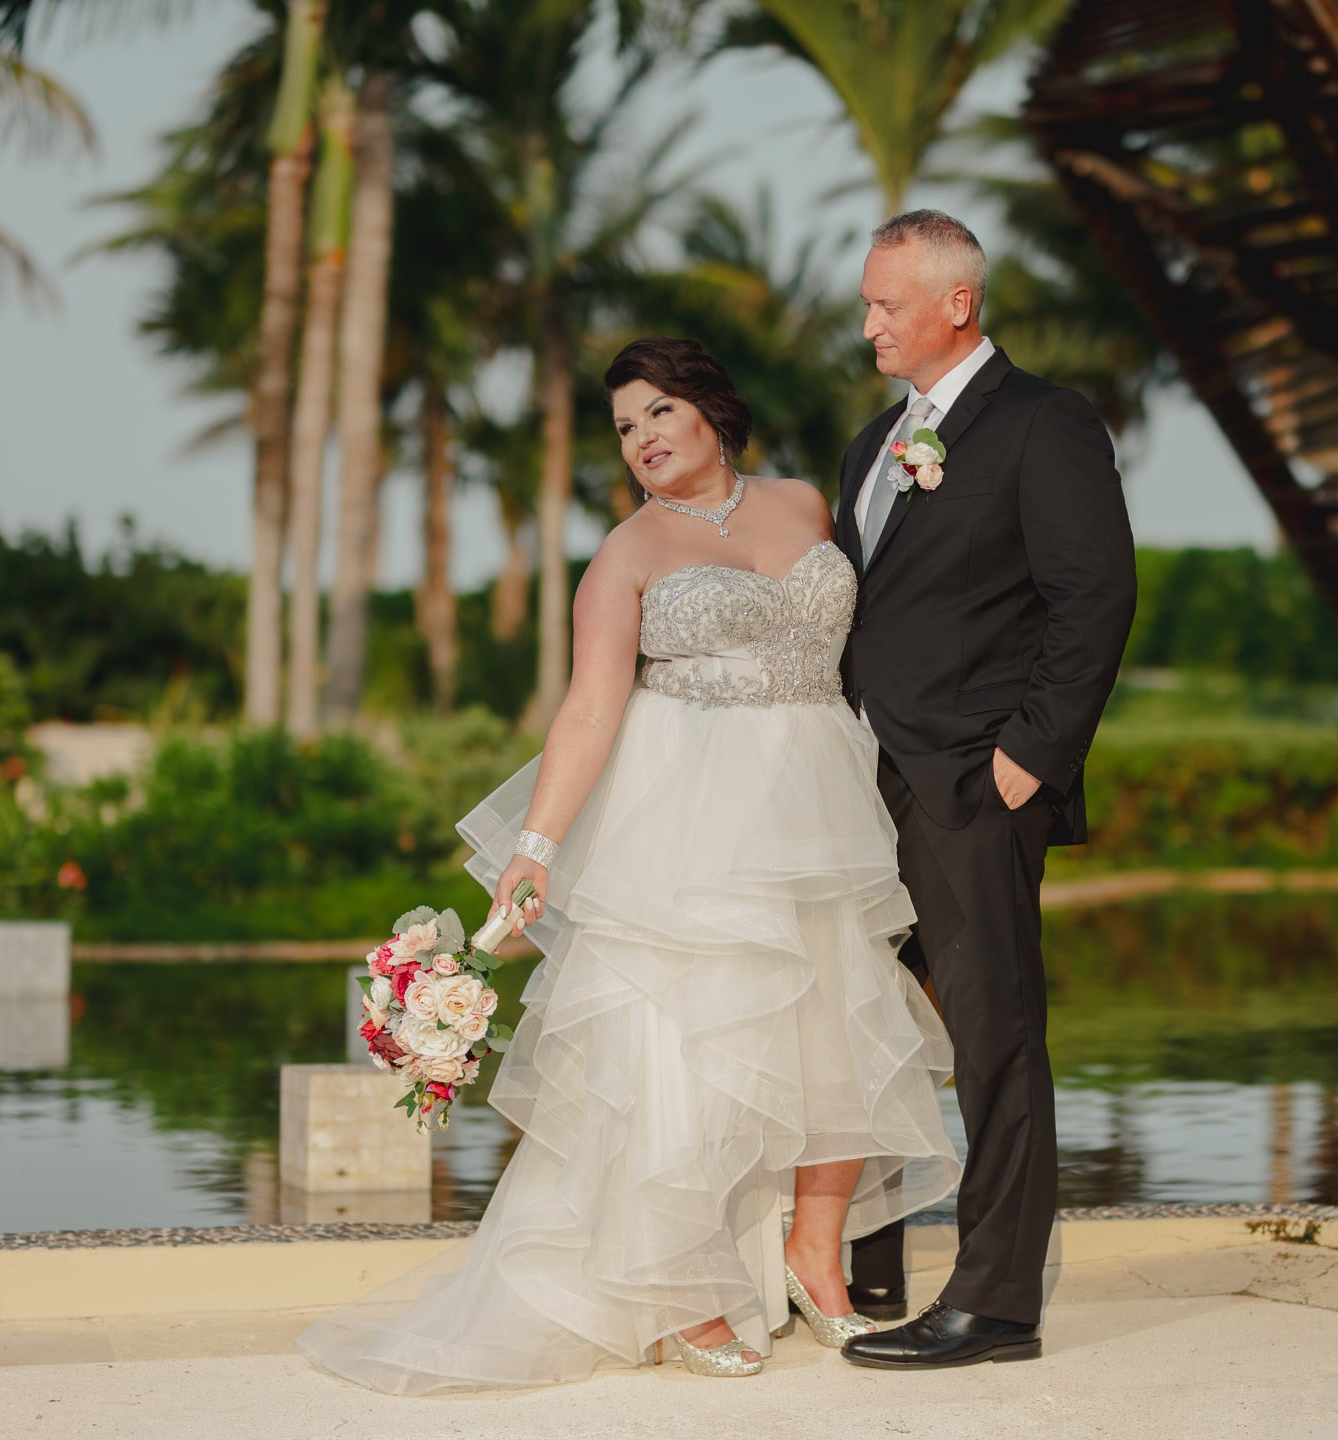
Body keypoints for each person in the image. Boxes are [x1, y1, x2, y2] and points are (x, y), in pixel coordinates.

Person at [296, 337, 961, 1392]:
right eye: (623, 427)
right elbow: (590, 708)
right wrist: (535, 851)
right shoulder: (625, 553)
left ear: (709, 410)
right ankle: (683, 1282)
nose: (641, 437)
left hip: (824, 802)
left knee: (838, 1022)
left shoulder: (805, 503)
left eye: (658, 411)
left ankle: (814, 1253)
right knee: (684, 1048)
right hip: (692, 817)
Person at [834, 211, 1138, 1370]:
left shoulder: (1043, 422)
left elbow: (1093, 596)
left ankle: (997, 1305)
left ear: (957, 303)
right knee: (862, 1030)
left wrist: (1031, 758)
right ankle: (867, 1268)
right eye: (868, 304)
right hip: (861, 790)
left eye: (887, 305)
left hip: (974, 788)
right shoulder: (874, 443)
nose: (870, 325)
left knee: (995, 1037)